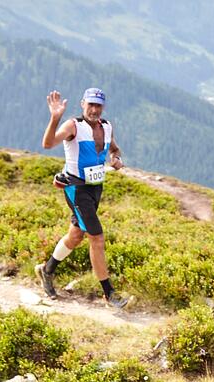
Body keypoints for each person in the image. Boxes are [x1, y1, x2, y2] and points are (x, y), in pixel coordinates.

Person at [34, 88, 132, 308]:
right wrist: (54, 118)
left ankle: (46, 270)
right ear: (82, 104)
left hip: (95, 188)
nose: (94, 110)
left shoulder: (106, 127)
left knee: (76, 234)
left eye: (98, 105)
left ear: (103, 107)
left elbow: (114, 150)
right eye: (90, 105)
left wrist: (116, 159)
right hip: (76, 189)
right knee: (96, 238)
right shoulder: (73, 126)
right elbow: (48, 144)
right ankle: (110, 294)